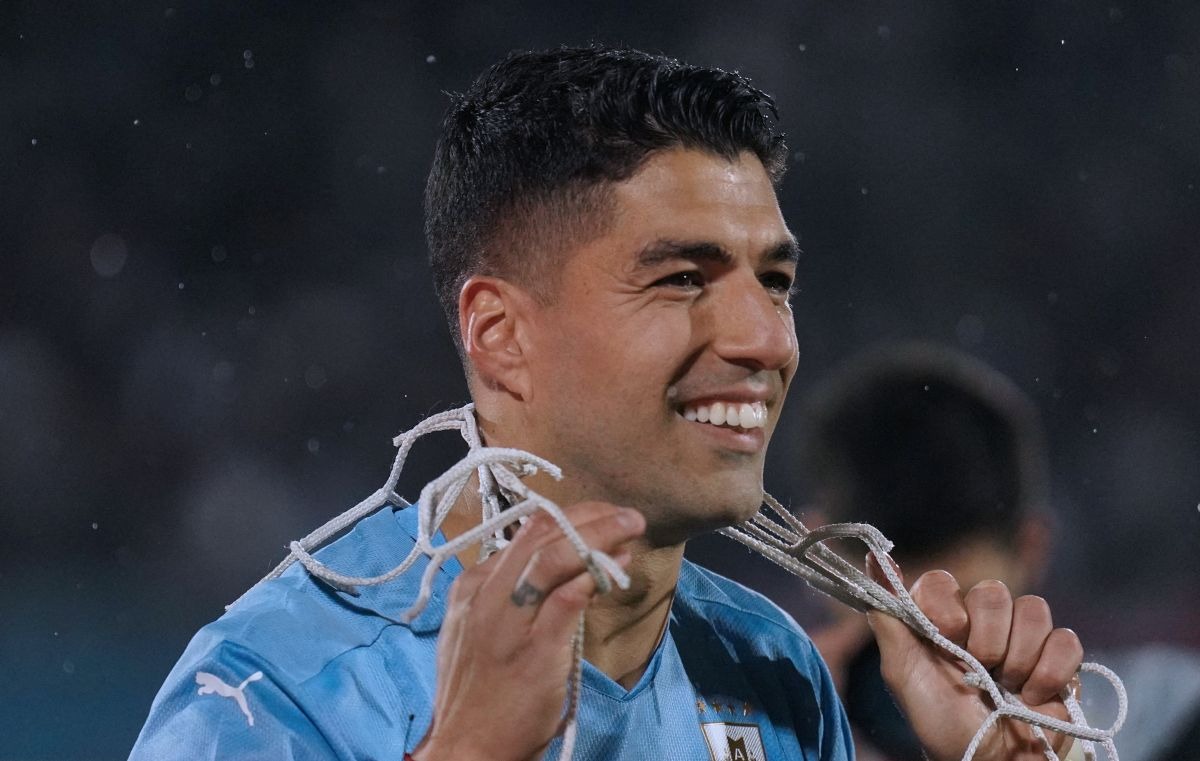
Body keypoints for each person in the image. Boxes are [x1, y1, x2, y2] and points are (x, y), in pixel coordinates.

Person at [131, 47, 1089, 761]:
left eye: (775, 281)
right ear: (500, 334)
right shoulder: (273, 691)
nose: (764, 339)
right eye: (682, 278)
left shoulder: (770, 670)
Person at [797, 343, 1196, 761]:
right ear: (815, 562)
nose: (925, 666)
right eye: (886, 613)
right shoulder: (771, 726)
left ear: (1031, 549)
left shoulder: (1173, 721)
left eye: (961, 619)